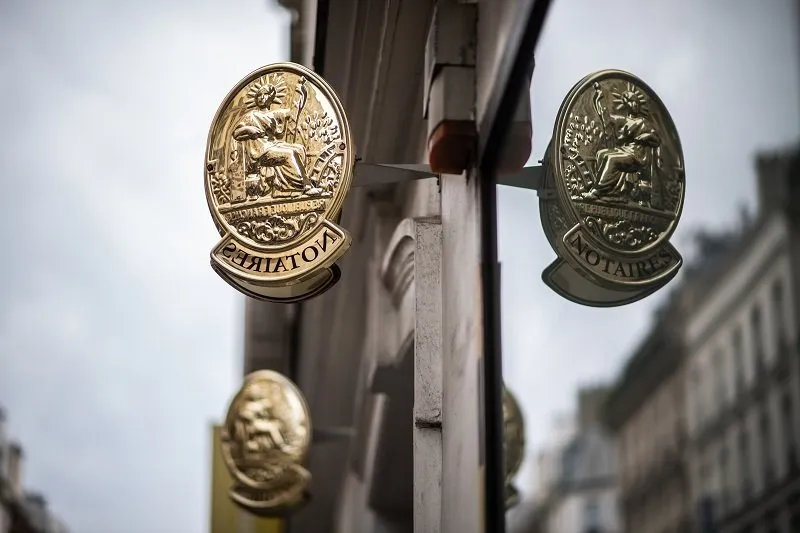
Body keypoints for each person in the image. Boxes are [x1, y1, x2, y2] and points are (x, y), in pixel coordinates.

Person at [232, 83, 323, 199]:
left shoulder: (274, 115)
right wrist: (248, 129)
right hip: (260, 151)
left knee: (299, 149)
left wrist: (302, 94)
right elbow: (236, 133)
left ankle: (286, 188)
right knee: (290, 154)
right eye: (259, 95)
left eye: (265, 94)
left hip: (272, 145)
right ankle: (305, 187)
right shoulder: (251, 116)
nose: (262, 97)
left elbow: (292, 114)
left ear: (271, 98)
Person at [583, 87, 661, 203]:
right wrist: (600, 98)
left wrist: (647, 137)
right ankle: (611, 192)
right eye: (632, 101)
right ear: (626, 104)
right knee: (601, 154)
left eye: (637, 102)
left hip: (637, 157)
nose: (635, 105)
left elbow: (657, 141)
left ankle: (597, 192)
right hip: (625, 151)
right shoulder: (622, 120)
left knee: (611, 159)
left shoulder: (644, 122)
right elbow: (607, 118)